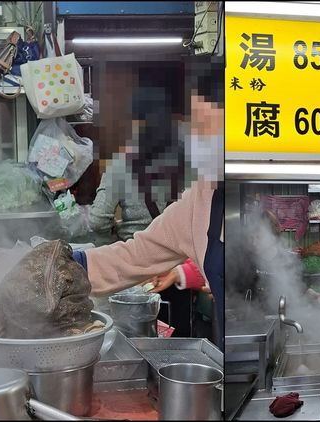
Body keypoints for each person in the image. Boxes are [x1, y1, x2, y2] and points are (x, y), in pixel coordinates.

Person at [72, 58, 224, 347]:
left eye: (206, 127)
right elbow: (133, 257)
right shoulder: (202, 189)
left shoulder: (121, 166)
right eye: (196, 126)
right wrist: (70, 264)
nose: (198, 138)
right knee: (179, 340)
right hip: (171, 279)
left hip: (152, 283)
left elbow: (98, 220)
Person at [87, 85, 202, 336]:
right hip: (180, 274)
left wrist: (115, 240)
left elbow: (96, 220)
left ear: (136, 122)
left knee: (135, 343)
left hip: (136, 277)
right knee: (176, 345)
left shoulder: (120, 166)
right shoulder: (194, 163)